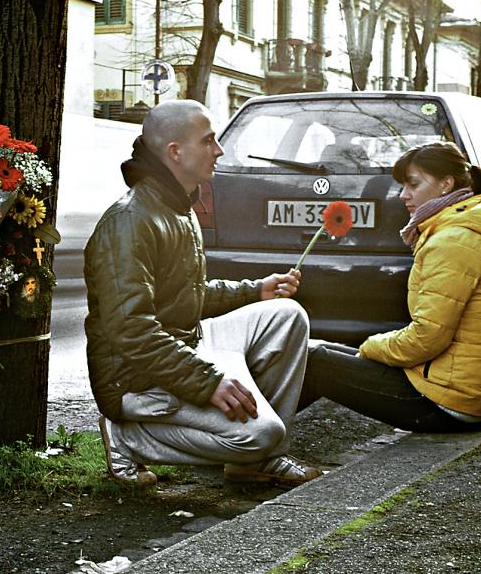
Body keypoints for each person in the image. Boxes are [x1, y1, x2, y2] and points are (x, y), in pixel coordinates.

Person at [84, 99, 321, 487]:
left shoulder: (179, 208)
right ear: (175, 152)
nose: (219, 150)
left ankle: (255, 464)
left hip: (184, 344)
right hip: (135, 377)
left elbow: (186, 295)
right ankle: (128, 437)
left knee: (286, 314)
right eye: (209, 140)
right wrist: (208, 382)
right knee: (260, 434)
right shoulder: (129, 222)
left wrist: (256, 291)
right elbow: (131, 332)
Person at [298, 141, 481, 432]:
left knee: (314, 362)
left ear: (445, 184)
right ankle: (257, 440)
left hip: (446, 402)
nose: (403, 195)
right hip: (451, 388)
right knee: (316, 349)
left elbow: (427, 338)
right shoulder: (457, 230)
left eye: (413, 184)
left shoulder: (454, 240)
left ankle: (254, 444)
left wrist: (370, 346)